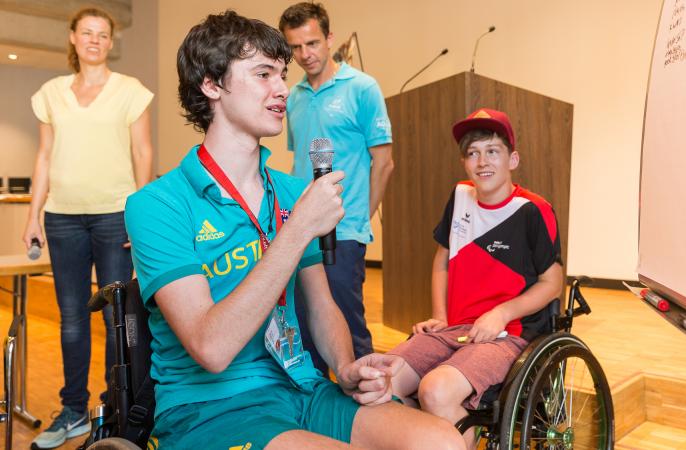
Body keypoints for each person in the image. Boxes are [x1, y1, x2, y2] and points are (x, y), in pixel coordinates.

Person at [124, 11, 463, 450]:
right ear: (211, 85)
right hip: (212, 408)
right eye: (263, 74)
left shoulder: (289, 191)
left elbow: (322, 306)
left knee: (442, 442)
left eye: (282, 75)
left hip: (300, 387)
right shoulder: (157, 204)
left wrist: (345, 368)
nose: (283, 88)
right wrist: (298, 228)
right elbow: (211, 348)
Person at [387, 108, 564, 449]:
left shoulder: (533, 210)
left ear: (513, 159)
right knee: (382, 383)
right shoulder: (460, 197)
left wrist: (501, 313)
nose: (482, 161)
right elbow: (442, 258)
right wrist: (440, 315)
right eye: (473, 152)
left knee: (434, 391)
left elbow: (552, 283)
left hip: (507, 334)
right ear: (464, 162)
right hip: (456, 328)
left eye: (492, 151)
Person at [22, 7, 154, 449]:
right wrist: (32, 215)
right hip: (62, 218)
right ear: (73, 38)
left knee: (118, 315)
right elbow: (43, 157)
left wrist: (140, 215)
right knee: (73, 320)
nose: (95, 40)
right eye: (88, 32)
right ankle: (74, 411)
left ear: (110, 41)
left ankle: (115, 412)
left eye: (103, 33)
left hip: (115, 215)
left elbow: (143, 154)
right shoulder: (51, 93)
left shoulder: (130, 91)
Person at [279, 2, 394, 376]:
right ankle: (319, 412)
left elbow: (384, 162)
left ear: (329, 38)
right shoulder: (293, 95)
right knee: (307, 326)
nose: (304, 54)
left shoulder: (362, 88)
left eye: (312, 43)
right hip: (303, 230)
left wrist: (359, 218)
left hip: (344, 232)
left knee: (348, 328)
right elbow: (299, 165)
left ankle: (368, 414)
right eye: (295, 47)